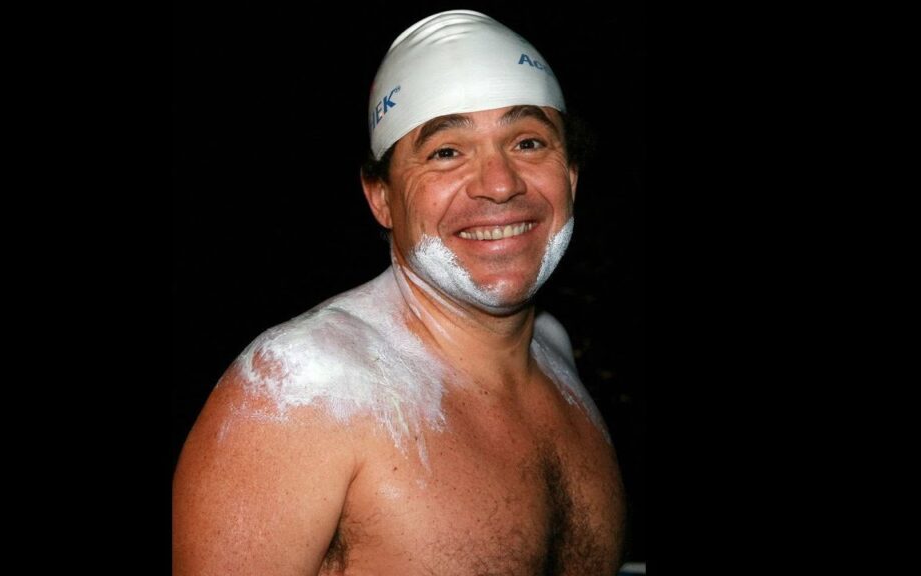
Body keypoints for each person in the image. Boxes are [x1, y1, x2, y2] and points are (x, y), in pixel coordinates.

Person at [173, 9, 625, 575]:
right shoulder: (298, 395)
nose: (500, 184)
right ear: (381, 197)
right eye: (446, 152)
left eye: (528, 142)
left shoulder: (555, 354)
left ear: (572, 176)